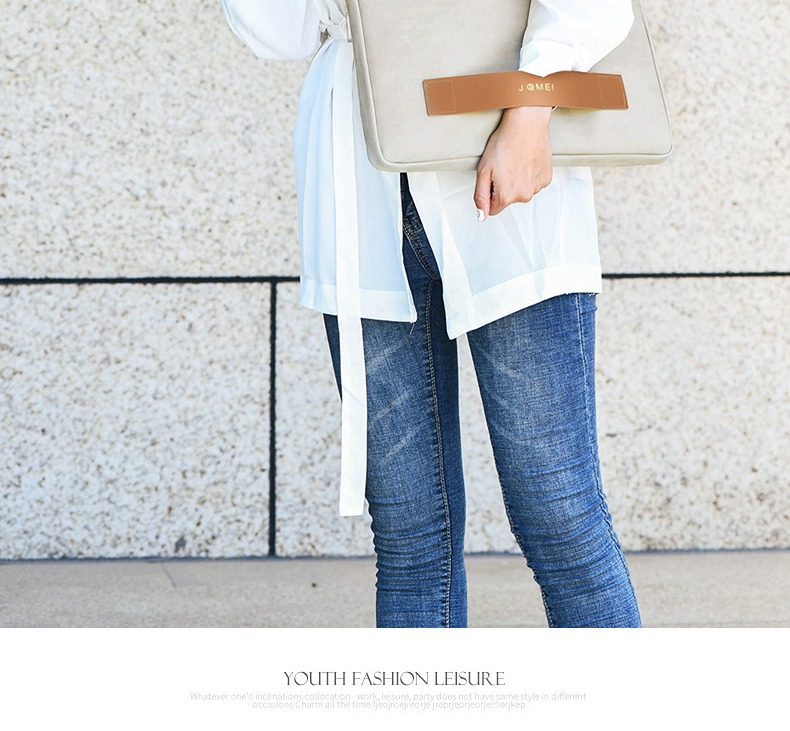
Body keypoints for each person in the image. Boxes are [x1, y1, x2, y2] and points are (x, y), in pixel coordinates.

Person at [220, 0, 642, 628]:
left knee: (559, 509)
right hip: (360, 185)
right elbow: (283, 33)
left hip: (506, 171)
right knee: (409, 531)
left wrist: (531, 109)